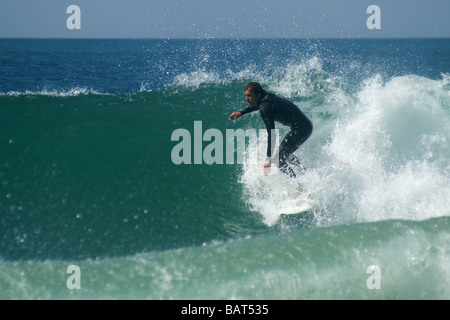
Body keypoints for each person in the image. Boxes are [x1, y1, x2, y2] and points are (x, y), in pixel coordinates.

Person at [229, 82, 313, 177]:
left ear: (258, 95)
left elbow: (272, 134)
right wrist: (242, 112)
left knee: (278, 160)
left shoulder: (264, 107)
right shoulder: (267, 98)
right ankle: (305, 173)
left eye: (249, 96)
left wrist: (268, 159)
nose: (246, 99)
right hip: (305, 126)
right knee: (284, 154)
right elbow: (257, 105)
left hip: (301, 129)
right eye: (246, 95)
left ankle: (297, 182)